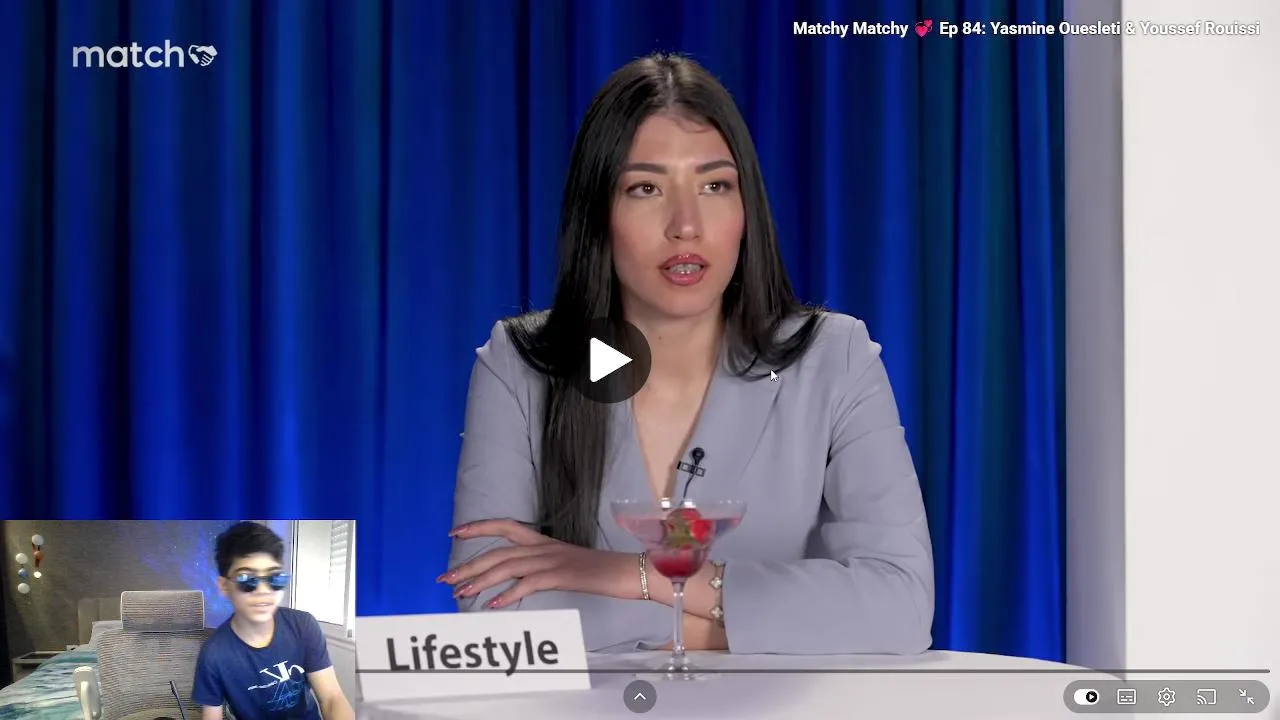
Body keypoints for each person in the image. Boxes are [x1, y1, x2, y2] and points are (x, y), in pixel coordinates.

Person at [442, 53, 934, 655]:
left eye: (714, 186)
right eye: (646, 188)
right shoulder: (521, 365)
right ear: (598, 213)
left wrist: (634, 575)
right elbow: (492, 612)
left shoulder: (834, 359)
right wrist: (739, 624)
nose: (686, 225)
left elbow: (899, 607)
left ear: (747, 209)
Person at [193, 522, 354, 720]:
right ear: (224, 586)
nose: (263, 590)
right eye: (246, 578)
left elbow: (331, 698)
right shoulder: (213, 654)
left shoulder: (303, 626)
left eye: (274, 577)